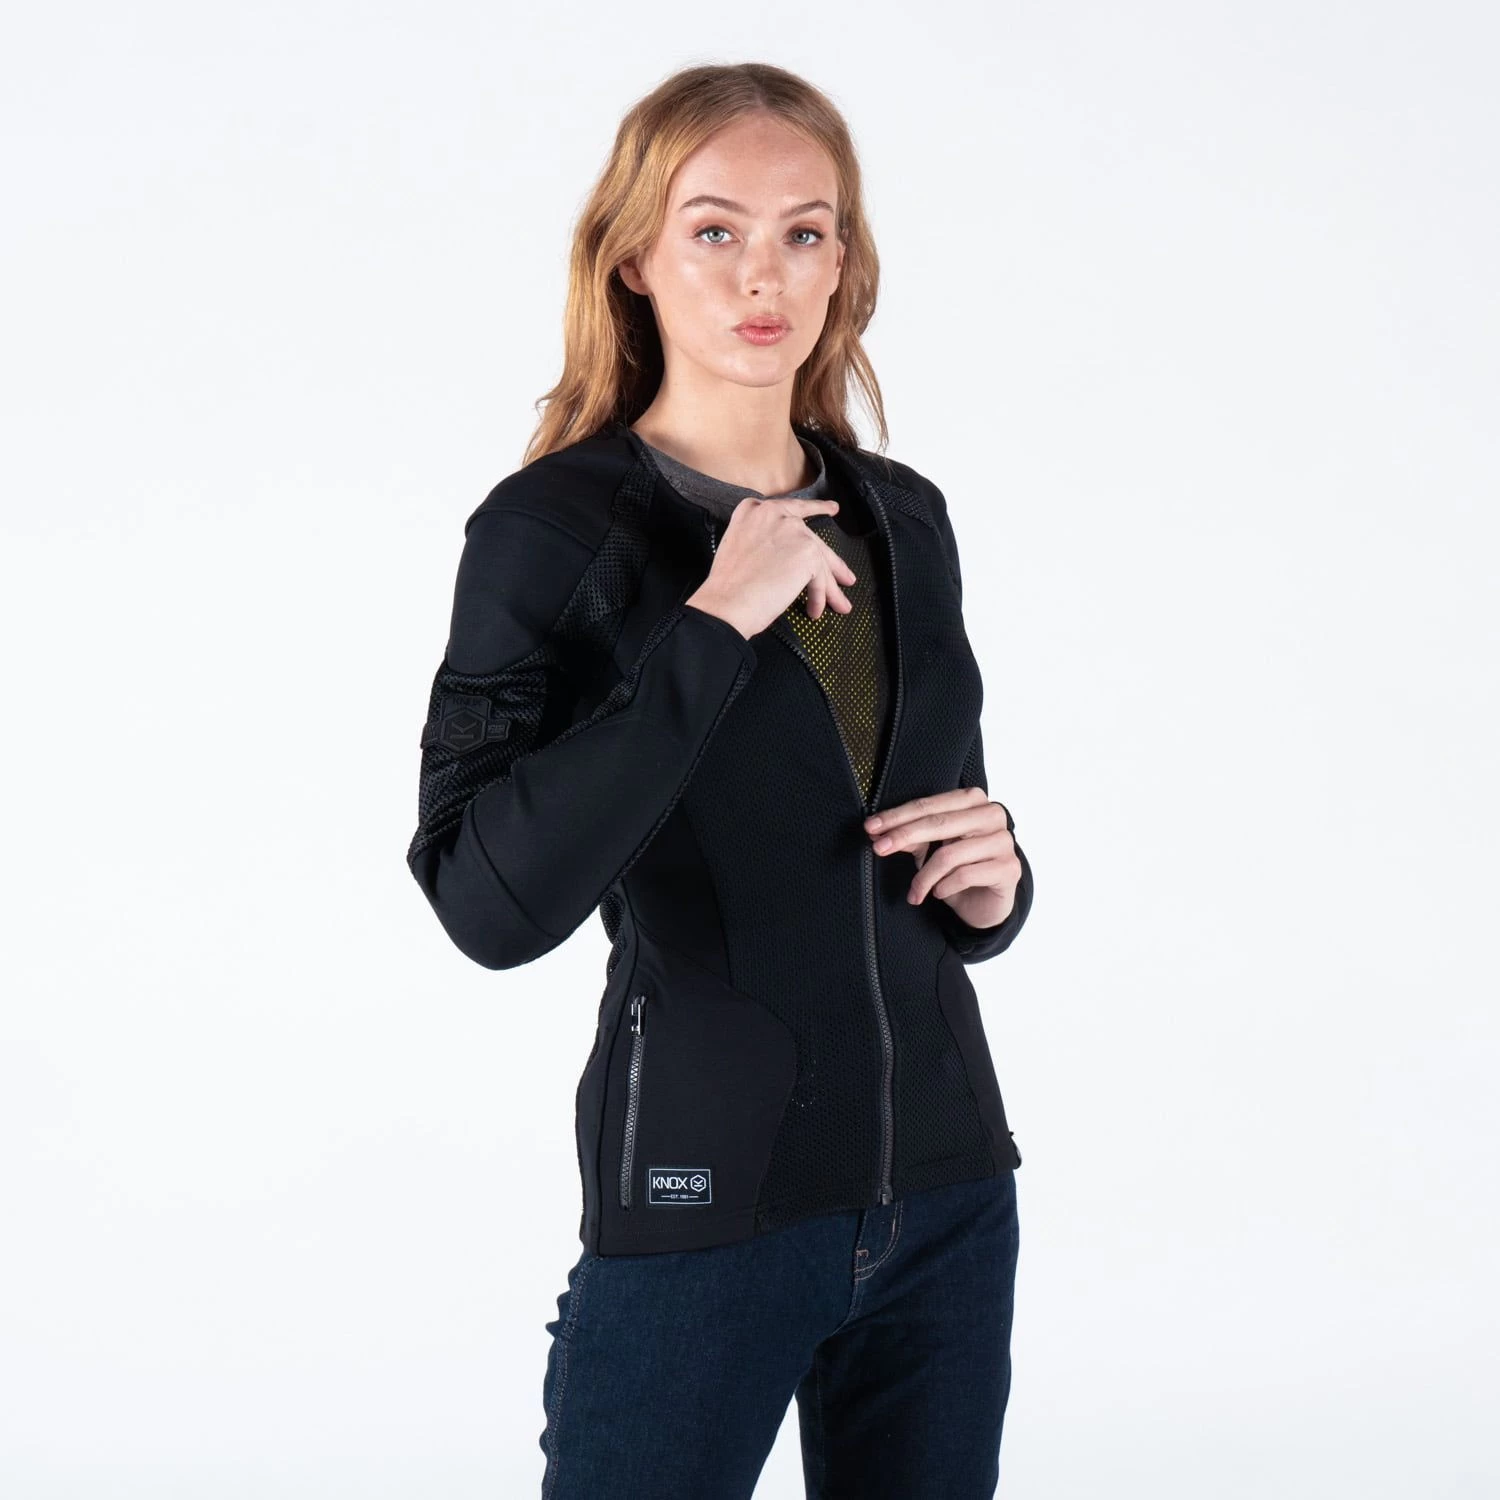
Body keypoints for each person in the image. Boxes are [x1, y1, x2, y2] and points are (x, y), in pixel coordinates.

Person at [405, 61, 1036, 1500]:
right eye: (715, 230)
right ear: (633, 256)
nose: (766, 274)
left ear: (844, 260)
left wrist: (997, 886)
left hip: (947, 1198)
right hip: (707, 1211)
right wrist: (710, 623)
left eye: (806, 232)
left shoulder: (904, 518)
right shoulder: (553, 532)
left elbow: (941, 817)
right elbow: (484, 904)